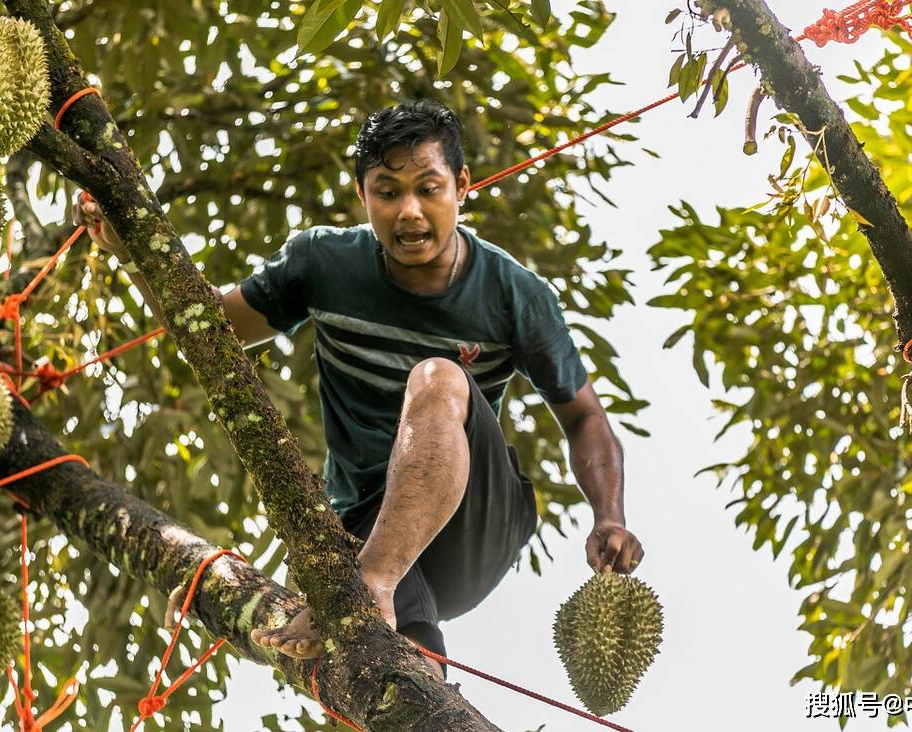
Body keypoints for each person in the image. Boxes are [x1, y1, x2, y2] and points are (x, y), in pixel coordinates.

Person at [74, 98, 644, 679]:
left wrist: (609, 515)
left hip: (472, 527)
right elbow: (212, 327)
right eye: (388, 192)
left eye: (429, 187)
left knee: (439, 376)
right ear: (362, 195)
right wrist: (130, 250)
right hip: (361, 525)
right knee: (398, 677)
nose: (410, 212)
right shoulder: (323, 262)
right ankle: (398, 639)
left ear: (462, 185)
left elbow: (585, 419)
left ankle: (370, 584)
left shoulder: (514, 294)